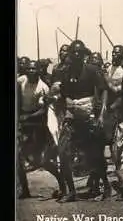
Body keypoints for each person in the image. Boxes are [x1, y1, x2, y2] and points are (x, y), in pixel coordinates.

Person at [54, 40, 110, 202]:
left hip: (90, 115)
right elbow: (62, 93)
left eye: (80, 52)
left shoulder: (92, 70)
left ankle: (106, 186)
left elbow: (104, 90)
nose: (77, 55)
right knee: (63, 152)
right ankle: (71, 192)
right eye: (74, 52)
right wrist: (65, 105)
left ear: (84, 54)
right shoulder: (65, 72)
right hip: (72, 116)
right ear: (70, 55)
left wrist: (101, 114)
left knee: (95, 155)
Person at [17, 60, 65, 199]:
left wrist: (26, 118)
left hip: (38, 125)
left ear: (39, 71)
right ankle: (25, 190)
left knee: (43, 161)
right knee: (19, 158)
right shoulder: (21, 81)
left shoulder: (43, 87)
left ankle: (63, 184)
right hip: (24, 123)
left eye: (34, 69)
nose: (32, 71)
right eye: (29, 69)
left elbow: (43, 111)